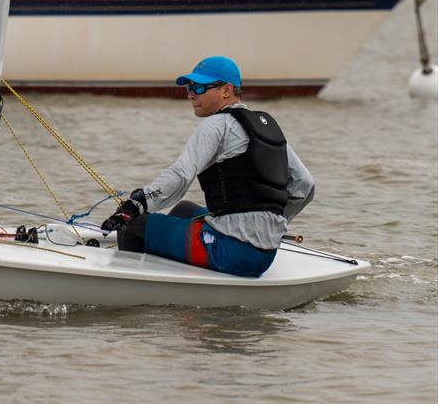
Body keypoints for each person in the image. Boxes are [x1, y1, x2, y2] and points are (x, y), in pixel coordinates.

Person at [101, 56, 315, 277]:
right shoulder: (264, 125)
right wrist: (271, 228)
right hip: (265, 256)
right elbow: (305, 186)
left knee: (134, 224)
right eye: (189, 88)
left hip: (230, 253)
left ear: (227, 90)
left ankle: (136, 293)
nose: (191, 94)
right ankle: (177, 264)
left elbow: (181, 175)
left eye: (199, 87)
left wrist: (136, 204)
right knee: (185, 210)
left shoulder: (216, 124)